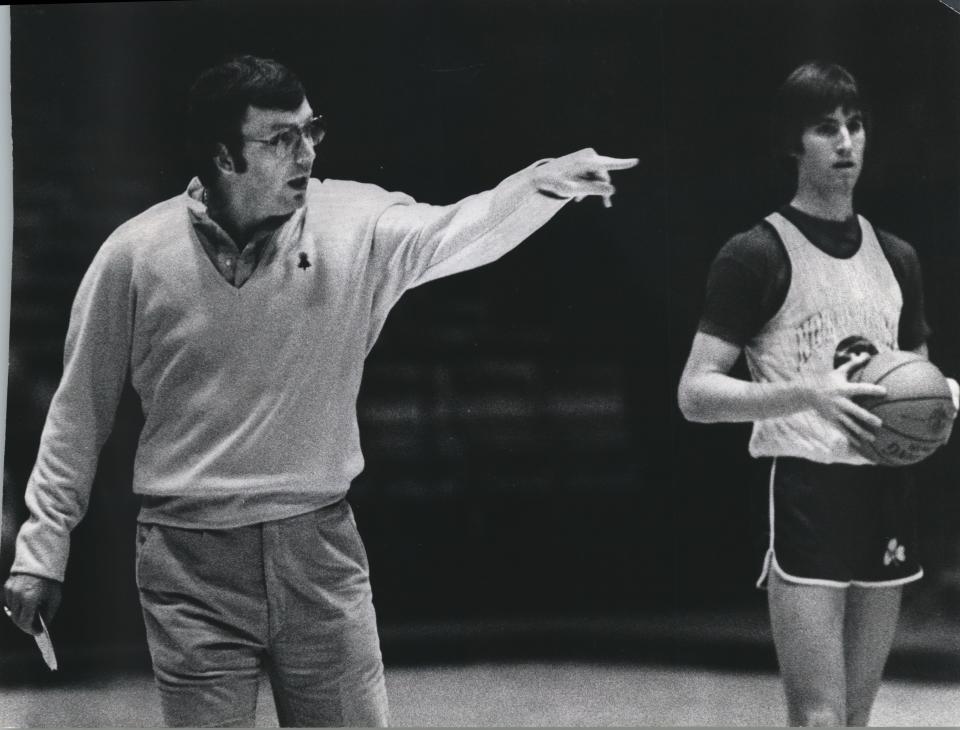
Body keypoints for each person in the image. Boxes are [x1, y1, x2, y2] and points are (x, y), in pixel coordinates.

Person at [2, 55, 637, 727]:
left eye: (312, 131)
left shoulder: (355, 221)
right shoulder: (134, 254)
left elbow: (458, 231)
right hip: (187, 562)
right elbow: (79, 411)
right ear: (223, 155)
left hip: (320, 552)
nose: (305, 152)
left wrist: (539, 186)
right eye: (281, 139)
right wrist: (43, 549)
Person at [677, 60, 957, 726]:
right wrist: (808, 395)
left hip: (887, 489)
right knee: (820, 720)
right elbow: (695, 392)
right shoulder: (755, 254)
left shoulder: (899, 258)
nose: (846, 143)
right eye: (825, 128)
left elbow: (915, 381)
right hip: (808, 490)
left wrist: (939, 403)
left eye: (855, 125)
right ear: (791, 144)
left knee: (856, 720)